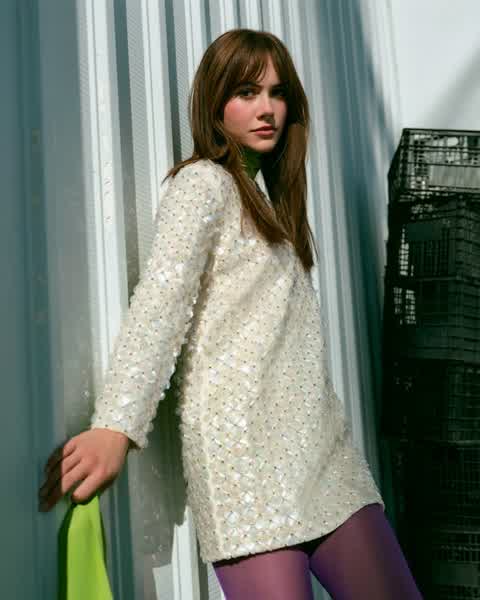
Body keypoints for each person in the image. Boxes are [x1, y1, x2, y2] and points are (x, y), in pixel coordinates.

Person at [38, 29, 423, 599]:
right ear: (215, 102)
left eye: (277, 92)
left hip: (324, 454)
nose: (267, 108)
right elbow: (161, 303)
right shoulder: (203, 184)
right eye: (247, 92)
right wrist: (116, 424)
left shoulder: (269, 201)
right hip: (244, 463)